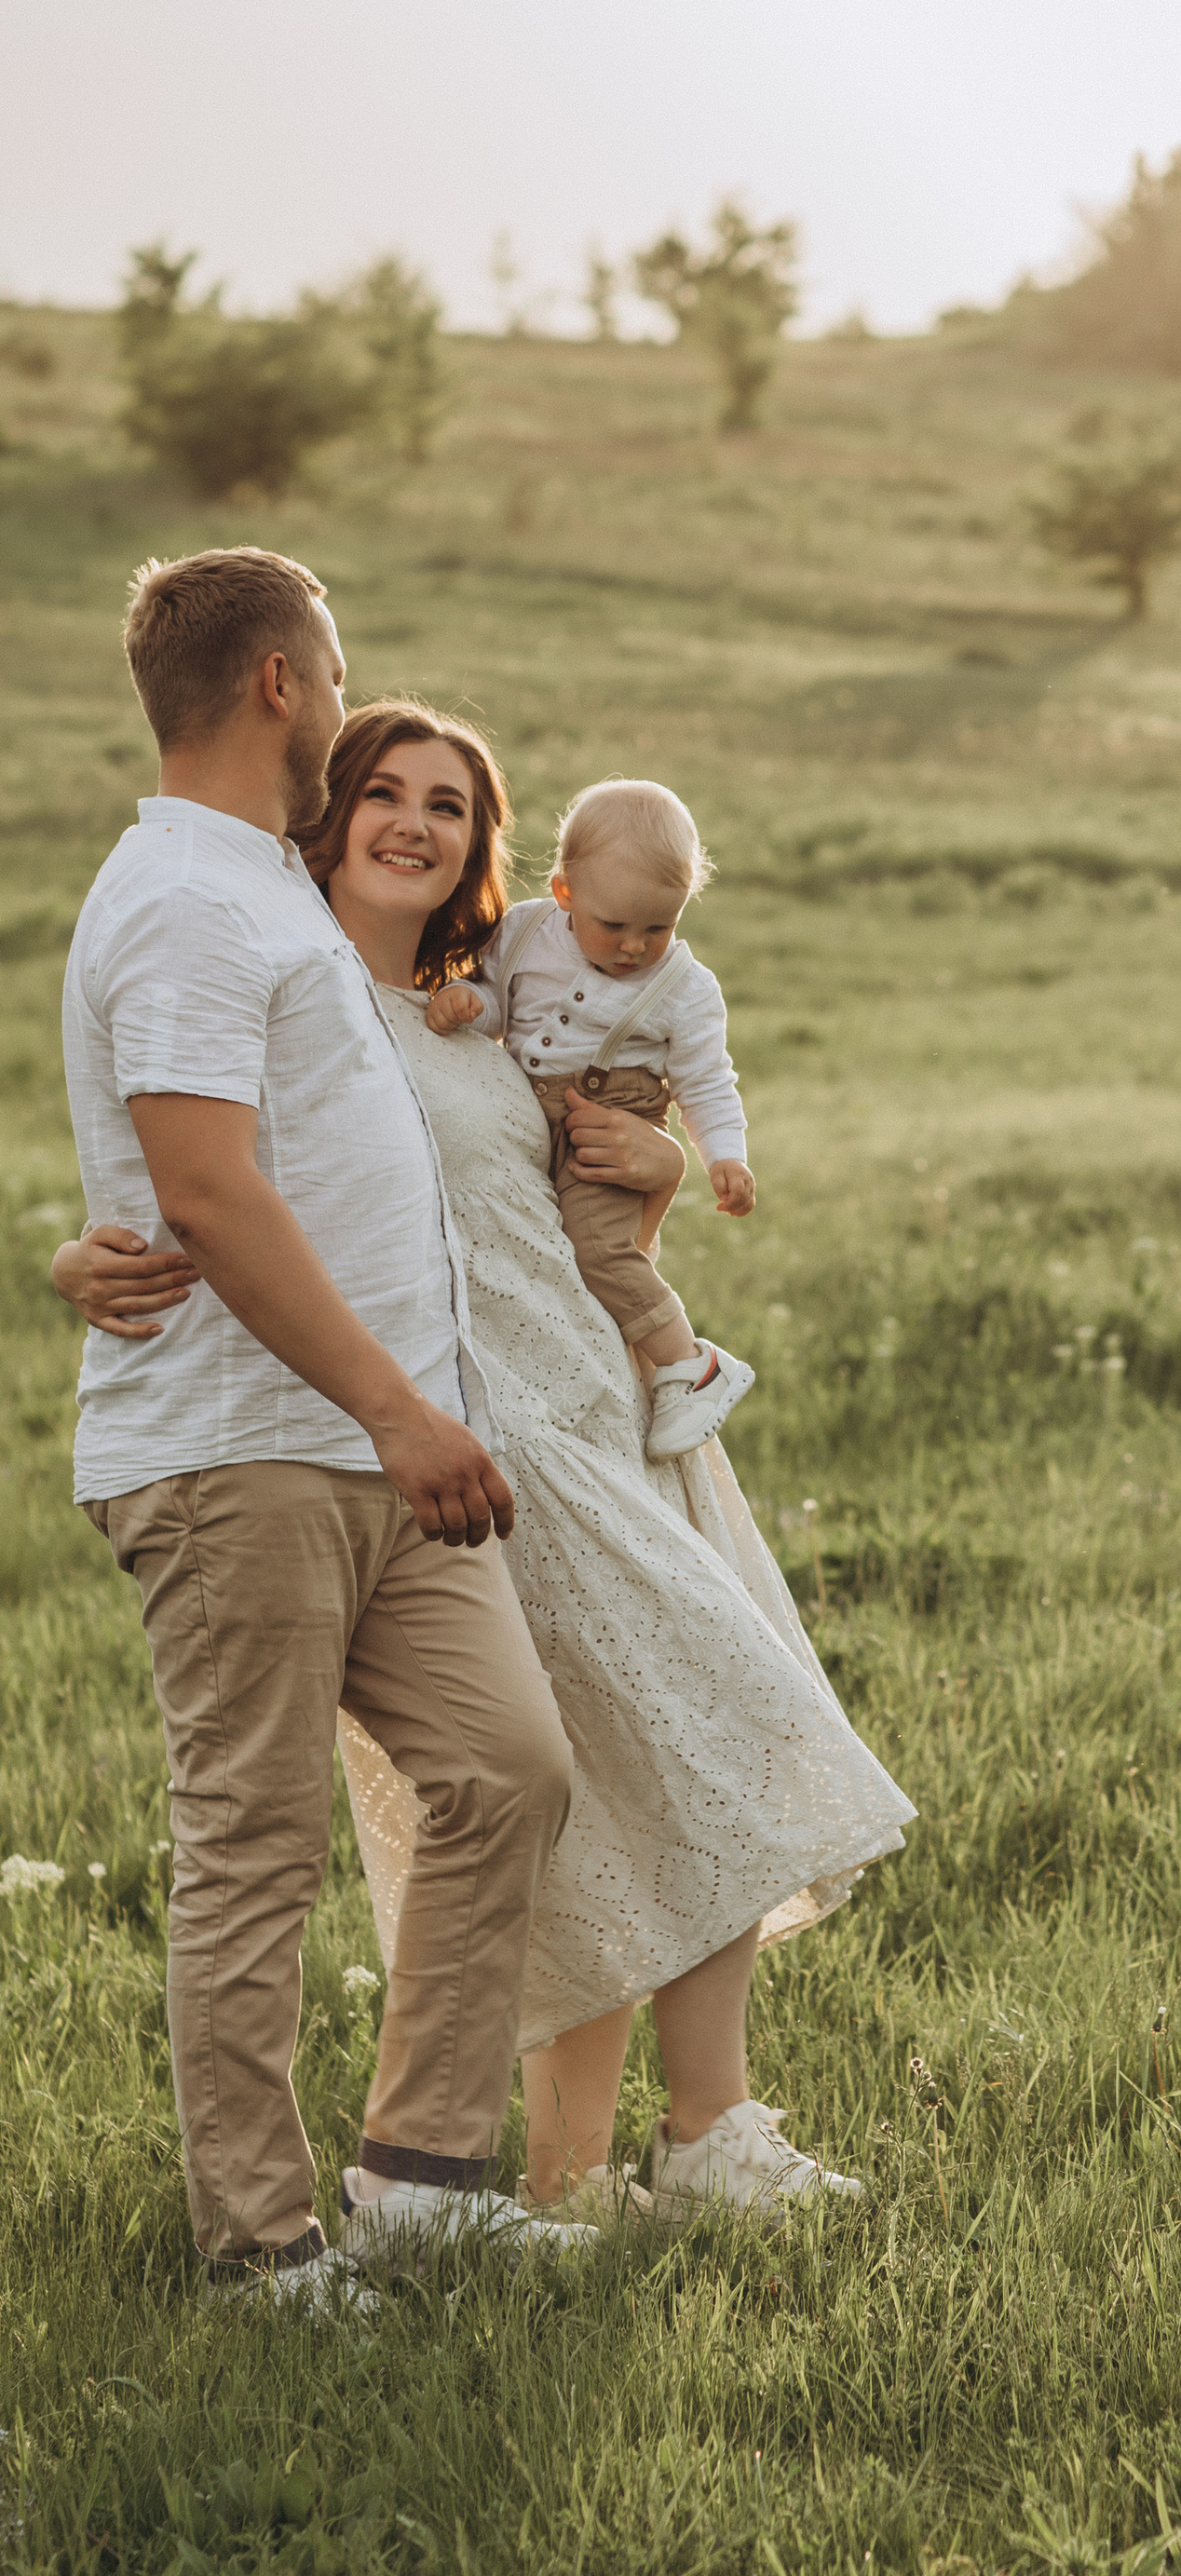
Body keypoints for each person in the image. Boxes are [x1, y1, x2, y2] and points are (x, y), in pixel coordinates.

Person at [61, 695, 912, 2223]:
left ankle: (596, 2168)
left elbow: (573, 1190)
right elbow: (205, 1172)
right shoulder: (302, 999)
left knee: (633, 1773)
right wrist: (89, 1252)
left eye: (448, 805)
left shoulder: (477, 1011)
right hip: (461, 1449)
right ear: (325, 816)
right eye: (383, 790)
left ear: (482, 850)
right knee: (652, 1754)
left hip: (594, 1419)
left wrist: (656, 1165)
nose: (414, 823)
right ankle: (667, 2144)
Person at [60, 548, 578, 2312]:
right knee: (256, 1841)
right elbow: (203, 1187)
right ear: (281, 682)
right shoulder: (186, 901)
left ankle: (418, 2179)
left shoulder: (270, 891)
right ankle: (262, 2247)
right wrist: (397, 1406)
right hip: (242, 1453)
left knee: (507, 1767)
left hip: (375, 1455)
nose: (350, 703)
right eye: (339, 671)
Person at [425, 776, 758, 1462]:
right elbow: (498, 1003)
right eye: (615, 926)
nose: (634, 947)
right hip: (528, 1112)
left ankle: (690, 1364)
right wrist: (466, 1002)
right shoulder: (523, 933)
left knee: (599, 1251)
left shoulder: (685, 989)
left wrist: (724, 1154)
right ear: (564, 893)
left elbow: (706, 1079)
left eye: (659, 927)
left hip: (612, 1122)